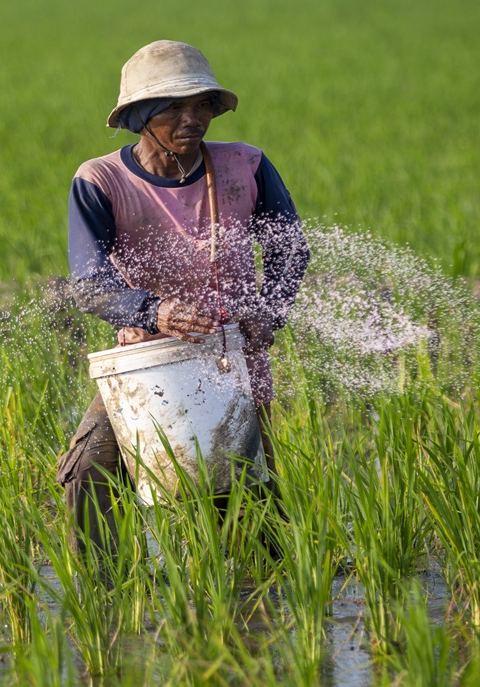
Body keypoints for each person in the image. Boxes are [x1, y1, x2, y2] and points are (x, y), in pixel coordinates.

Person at [57, 40, 309, 559]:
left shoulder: (245, 166)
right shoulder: (101, 181)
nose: (192, 119)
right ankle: (107, 598)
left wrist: (268, 310)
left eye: (202, 106)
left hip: (230, 358)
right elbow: (90, 283)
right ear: (140, 116)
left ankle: (265, 607)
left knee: (243, 501)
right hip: (147, 362)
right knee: (89, 473)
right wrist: (155, 311)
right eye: (174, 107)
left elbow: (290, 250)